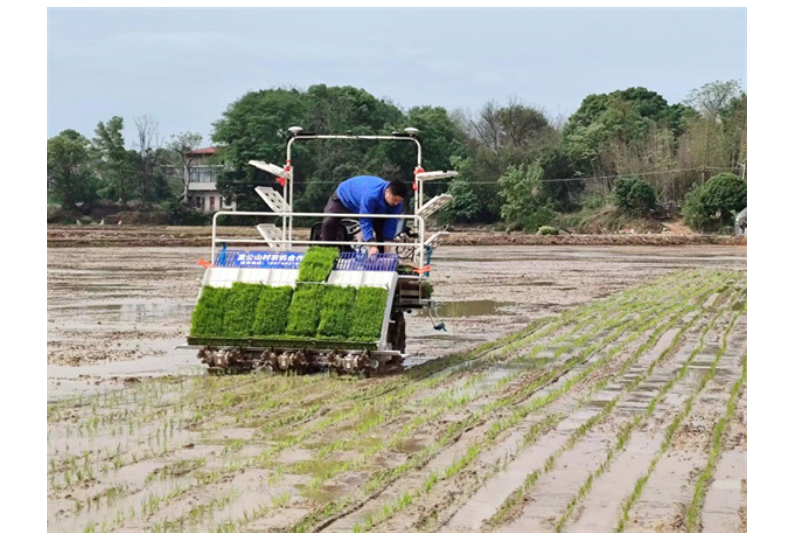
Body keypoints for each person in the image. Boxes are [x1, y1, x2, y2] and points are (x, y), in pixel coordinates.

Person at [321, 176, 409, 256]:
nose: (396, 203)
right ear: (387, 192)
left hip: (370, 206)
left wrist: (387, 251)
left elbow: (391, 224)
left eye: (399, 201)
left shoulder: (396, 203)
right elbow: (365, 220)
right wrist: (372, 245)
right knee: (329, 222)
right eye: (394, 200)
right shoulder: (371, 195)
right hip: (344, 198)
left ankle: (381, 260)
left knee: (381, 228)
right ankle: (326, 254)